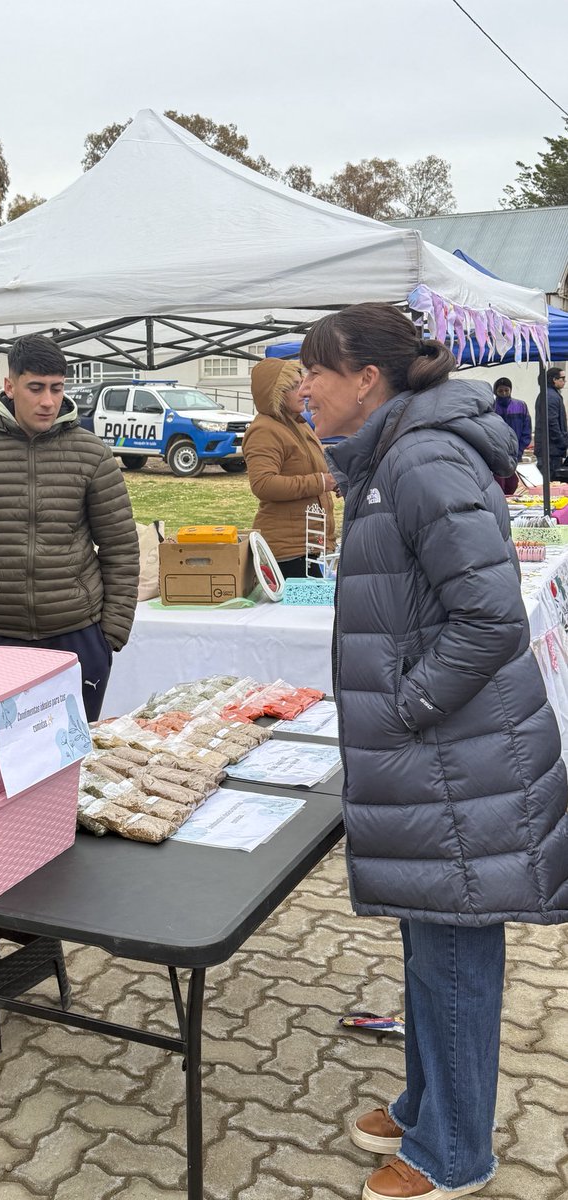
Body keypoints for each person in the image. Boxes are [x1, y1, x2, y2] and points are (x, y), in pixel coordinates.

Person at [299, 304, 568, 1200]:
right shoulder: (397, 455)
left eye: (316, 372)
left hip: (458, 761)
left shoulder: (420, 459)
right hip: (442, 763)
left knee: (454, 960)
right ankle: (425, 1107)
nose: (304, 388)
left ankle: (455, 1158)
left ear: (365, 380)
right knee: (429, 950)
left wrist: (409, 704)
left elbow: (490, 615)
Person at [0, 334, 139, 721]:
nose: (48, 401)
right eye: (36, 388)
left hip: (77, 634)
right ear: (9, 386)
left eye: (57, 388)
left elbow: (121, 547)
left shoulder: (91, 453)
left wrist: (110, 633)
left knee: (71, 756)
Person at [242, 358, 336, 577]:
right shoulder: (265, 430)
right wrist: (322, 482)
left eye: (302, 383)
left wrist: (333, 481)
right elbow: (263, 484)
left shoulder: (296, 424)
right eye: (294, 386)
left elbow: (312, 471)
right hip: (289, 551)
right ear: (274, 393)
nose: (304, 391)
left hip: (310, 546)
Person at [535, 365, 567, 481]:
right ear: (554, 379)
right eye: (562, 379)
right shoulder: (550, 396)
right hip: (550, 449)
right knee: (551, 481)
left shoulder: (551, 394)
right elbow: (552, 423)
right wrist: (562, 442)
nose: (564, 381)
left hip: (551, 448)